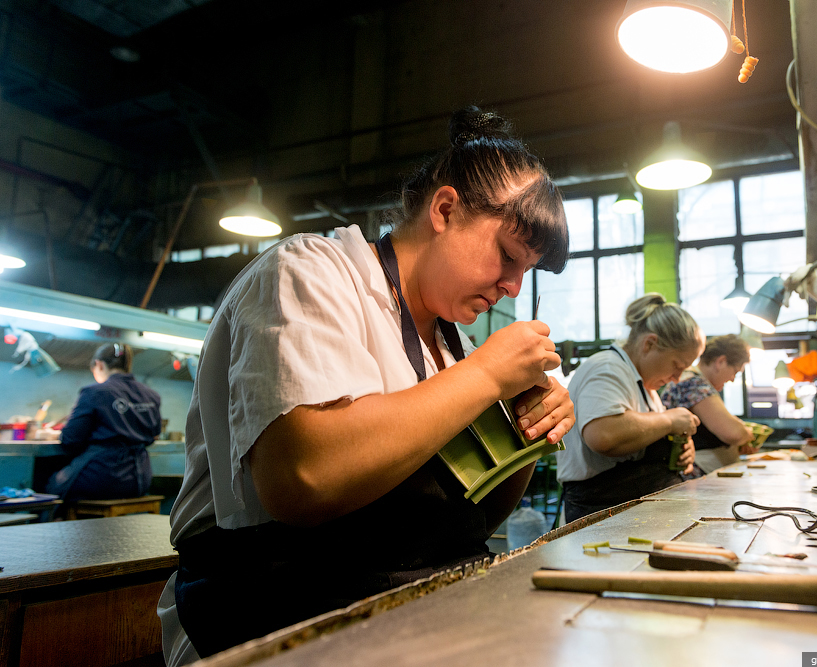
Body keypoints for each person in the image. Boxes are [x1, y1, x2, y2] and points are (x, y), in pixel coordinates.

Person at [157, 106, 575, 665]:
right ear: (445, 210)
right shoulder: (309, 272)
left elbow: (469, 516)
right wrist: (486, 377)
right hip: (274, 608)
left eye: (527, 271)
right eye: (507, 255)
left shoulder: (451, 349)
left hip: (410, 602)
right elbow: (304, 479)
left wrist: (528, 425)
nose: (512, 286)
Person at [555, 294, 705, 523]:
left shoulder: (647, 389)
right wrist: (670, 421)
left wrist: (681, 448)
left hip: (632, 510)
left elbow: (643, 432)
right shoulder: (606, 368)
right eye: (677, 366)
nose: (676, 378)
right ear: (650, 344)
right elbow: (603, 434)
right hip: (601, 510)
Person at [46, 343, 161, 500]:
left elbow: (70, 440)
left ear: (99, 365)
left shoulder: (94, 392)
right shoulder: (151, 395)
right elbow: (153, 435)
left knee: (49, 485)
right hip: (140, 479)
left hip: (104, 477)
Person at [661, 333, 754, 474]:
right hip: (688, 475)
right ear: (720, 362)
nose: (732, 379)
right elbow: (733, 433)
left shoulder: (694, 381)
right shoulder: (694, 383)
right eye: (734, 372)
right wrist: (748, 434)